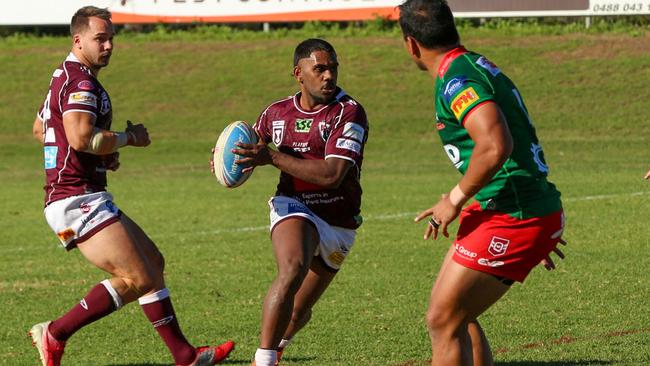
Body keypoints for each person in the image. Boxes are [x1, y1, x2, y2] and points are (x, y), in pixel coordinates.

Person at [30, 6, 233, 366]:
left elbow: (41, 129)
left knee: (152, 263)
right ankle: (57, 333)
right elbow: (79, 137)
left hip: (82, 192)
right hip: (75, 198)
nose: (108, 45)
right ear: (78, 40)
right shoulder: (80, 81)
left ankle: (183, 355)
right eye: (100, 39)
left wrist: (100, 156)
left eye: (111, 38)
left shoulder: (62, 75)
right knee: (138, 276)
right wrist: (128, 138)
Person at [397, 1, 567, 365]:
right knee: (456, 316)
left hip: (515, 213)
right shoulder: (470, 64)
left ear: (411, 44)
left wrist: (455, 199)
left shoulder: (459, 78)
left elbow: (495, 145)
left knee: (443, 321)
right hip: (513, 207)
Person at [231, 38, 368, 366]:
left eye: (332, 68)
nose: (328, 76)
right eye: (319, 68)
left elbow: (332, 174)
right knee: (292, 268)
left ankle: (277, 348)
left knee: (298, 312)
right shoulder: (276, 113)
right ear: (299, 73)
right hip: (294, 205)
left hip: (340, 220)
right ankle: (263, 361)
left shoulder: (347, 112)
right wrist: (227, 157)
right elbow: (250, 145)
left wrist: (271, 158)